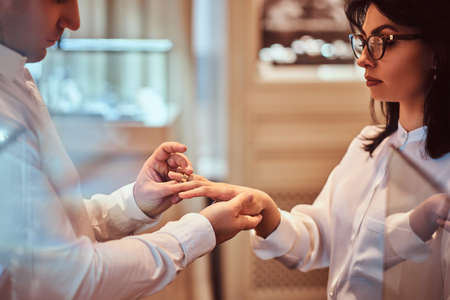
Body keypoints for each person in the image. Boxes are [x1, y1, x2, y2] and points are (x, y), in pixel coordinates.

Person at [174, 0, 450, 299]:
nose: (364, 60)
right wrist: (266, 211)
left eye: (384, 41)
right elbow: (323, 238)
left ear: (437, 49)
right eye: (364, 42)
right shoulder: (369, 147)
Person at [0, 0, 263, 299]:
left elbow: (43, 231)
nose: (74, 21)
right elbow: (72, 280)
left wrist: (134, 204)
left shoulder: (17, 79)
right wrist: (201, 231)